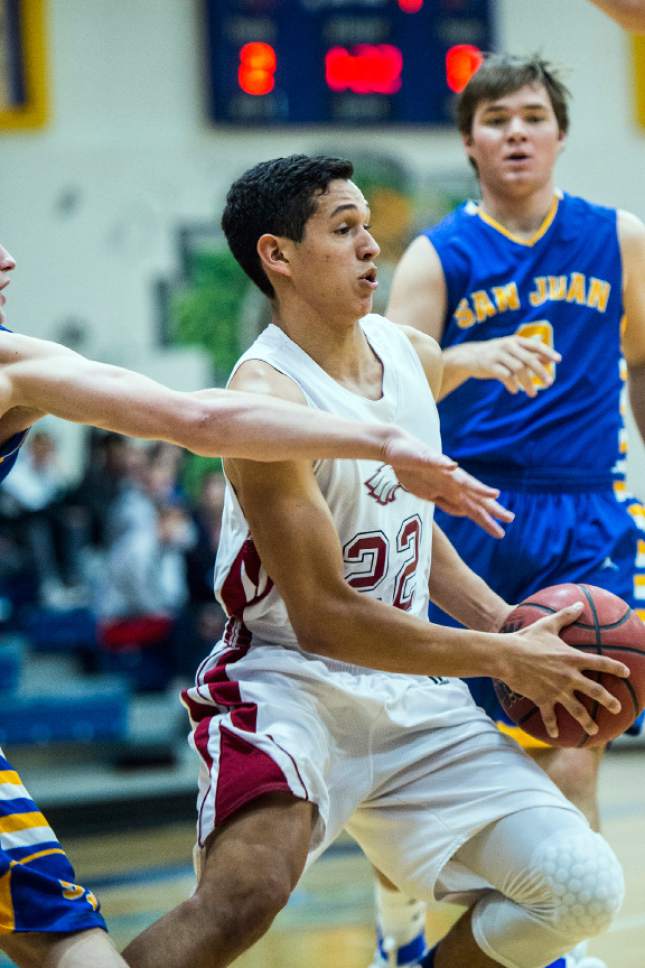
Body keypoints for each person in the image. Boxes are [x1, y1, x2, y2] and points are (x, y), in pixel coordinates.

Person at [120, 154, 629, 968]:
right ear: (277, 256)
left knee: (579, 887)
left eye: (369, 228)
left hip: (407, 694)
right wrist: (502, 653)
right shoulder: (267, 403)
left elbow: (410, 527)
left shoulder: (404, 354)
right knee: (241, 901)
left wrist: (507, 621)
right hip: (287, 683)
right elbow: (324, 617)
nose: (371, 249)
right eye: (345, 229)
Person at [0, 239, 509, 967]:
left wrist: (385, 432)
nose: (9, 260)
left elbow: (199, 418)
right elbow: (200, 423)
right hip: (286, 677)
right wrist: (381, 440)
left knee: (72, 946)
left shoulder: (14, 361)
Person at [382, 53, 645, 968]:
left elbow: (643, 360)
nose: (516, 132)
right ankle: (398, 929)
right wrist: (463, 357)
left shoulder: (617, 238)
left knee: (580, 725)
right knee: (426, 748)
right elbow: (390, 383)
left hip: (585, 511)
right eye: (495, 119)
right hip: (469, 513)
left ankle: (549, 940)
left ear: (560, 133)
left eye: (532, 115)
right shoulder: (436, 255)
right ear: (469, 144)